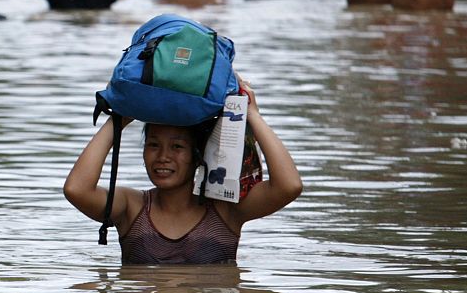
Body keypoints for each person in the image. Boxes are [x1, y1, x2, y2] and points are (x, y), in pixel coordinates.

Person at [63, 79, 303, 265]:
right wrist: (118, 121)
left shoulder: (226, 209)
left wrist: (252, 115)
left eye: (177, 147)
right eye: (153, 145)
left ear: (199, 155)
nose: (163, 156)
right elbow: (76, 189)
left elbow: (289, 186)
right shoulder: (131, 207)